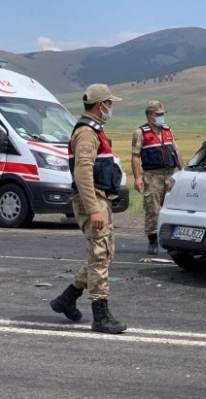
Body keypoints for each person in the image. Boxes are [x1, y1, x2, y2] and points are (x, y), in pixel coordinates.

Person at [49, 84, 127, 334]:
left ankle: (67, 298)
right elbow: (82, 171)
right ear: (100, 104)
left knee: (102, 254)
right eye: (109, 103)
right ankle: (100, 316)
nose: (110, 108)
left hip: (100, 199)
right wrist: (93, 208)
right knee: (100, 256)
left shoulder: (95, 130)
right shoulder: (86, 133)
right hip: (92, 200)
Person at [131, 101, 184, 254]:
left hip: (170, 175)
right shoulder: (140, 133)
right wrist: (137, 178)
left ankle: (173, 242)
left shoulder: (168, 130)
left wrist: (183, 171)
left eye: (162, 114)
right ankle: (153, 242)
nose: (161, 116)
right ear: (149, 115)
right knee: (152, 209)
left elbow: (176, 151)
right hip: (152, 176)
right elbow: (135, 156)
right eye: (158, 114)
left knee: (173, 209)